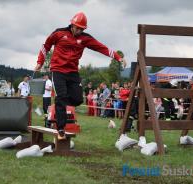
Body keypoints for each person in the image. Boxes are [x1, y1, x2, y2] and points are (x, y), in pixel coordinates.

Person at [34, 12, 127, 140]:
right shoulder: (59, 33)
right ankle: (61, 129)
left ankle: (60, 104)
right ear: (72, 25)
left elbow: (102, 48)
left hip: (72, 72)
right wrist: (40, 62)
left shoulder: (85, 38)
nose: (79, 31)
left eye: (81, 29)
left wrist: (118, 58)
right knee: (61, 97)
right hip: (58, 70)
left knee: (77, 99)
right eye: (77, 28)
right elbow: (46, 46)